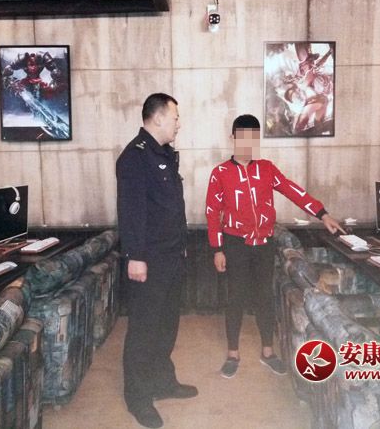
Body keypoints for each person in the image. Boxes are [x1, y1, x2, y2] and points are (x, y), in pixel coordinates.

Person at [205, 114, 346, 378]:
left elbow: (293, 190)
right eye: (243, 138)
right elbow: (212, 213)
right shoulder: (220, 173)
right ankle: (233, 353)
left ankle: (268, 352)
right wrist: (217, 249)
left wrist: (322, 213)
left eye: (253, 138)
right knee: (235, 298)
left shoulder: (267, 169)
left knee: (264, 296)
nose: (248, 144)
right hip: (235, 244)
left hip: (264, 244)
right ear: (233, 138)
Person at [116, 93, 197, 428]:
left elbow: (169, 209)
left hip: (171, 256)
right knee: (144, 329)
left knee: (166, 326)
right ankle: (138, 397)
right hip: (147, 261)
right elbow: (131, 211)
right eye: (175, 117)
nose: (179, 123)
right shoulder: (134, 157)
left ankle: (163, 381)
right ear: (158, 117)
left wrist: (181, 245)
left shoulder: (163, 154)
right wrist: (135, 257)